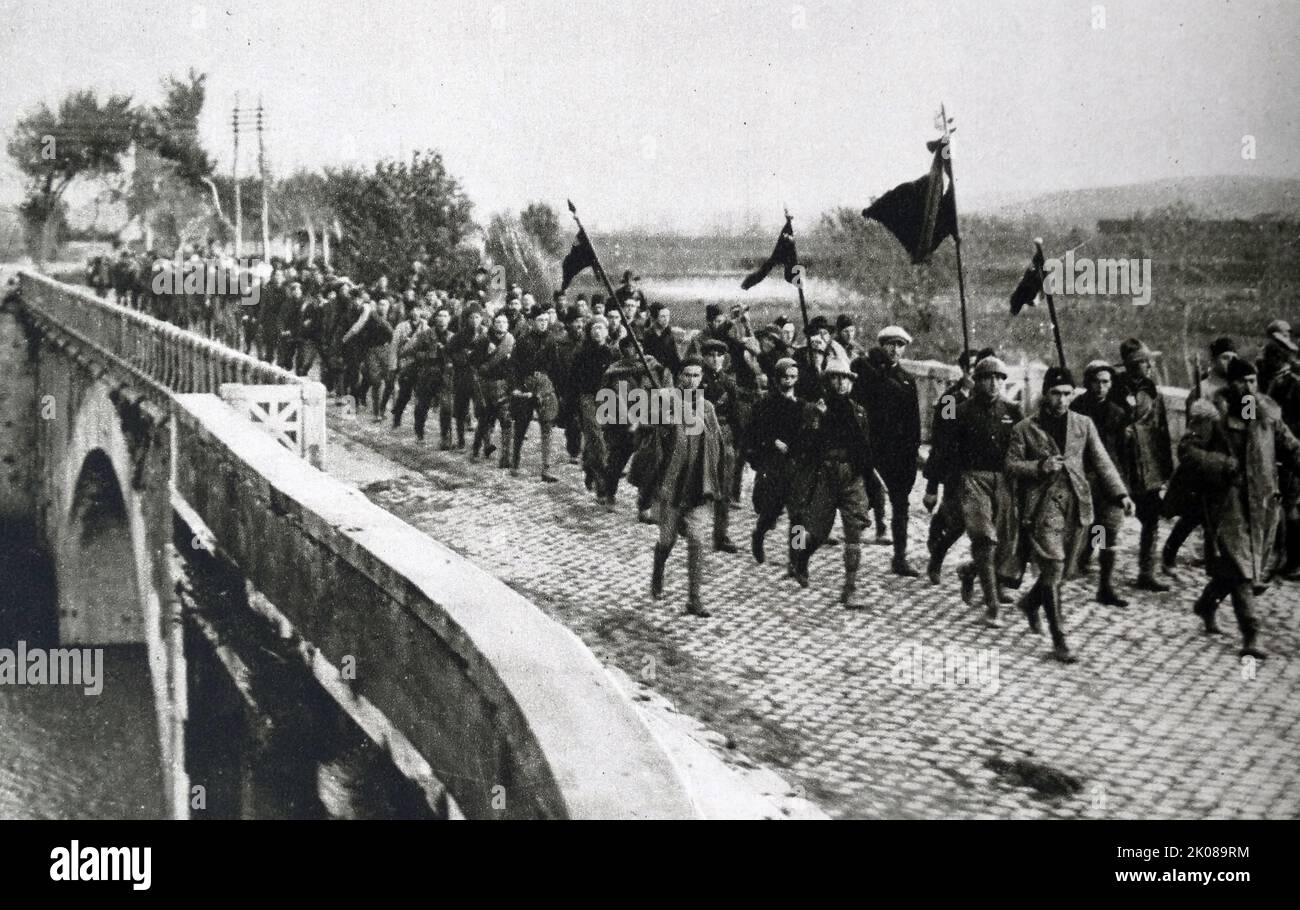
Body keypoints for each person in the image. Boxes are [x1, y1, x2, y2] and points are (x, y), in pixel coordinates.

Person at [1006, 367, 1134, 663]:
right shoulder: (1026, 428)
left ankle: (1030, 603)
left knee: (1061, 571)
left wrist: (1121, 494)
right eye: (1055, 393)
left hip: (1076, 506)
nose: (1061, 400)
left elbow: (1102, 461)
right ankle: (1059, 638)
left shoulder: (1083, 424)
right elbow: (1011, 465)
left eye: (1067, 394)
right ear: (1045, 394)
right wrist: (1040, 467)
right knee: (1053, 566)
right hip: (1041, 508)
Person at [1180, 358, 1300, 659]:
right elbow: (1187, 450)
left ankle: (1206, 604)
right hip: (1227, 502)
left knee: (1243, 568)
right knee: (1241, 568)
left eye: (1252, 381)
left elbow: (1290, 447)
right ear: (1229, 384)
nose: (1248, 387)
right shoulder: (1210, 414)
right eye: (1241, 381)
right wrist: (1221, 464)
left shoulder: (1268, 414)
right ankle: (1251, 634)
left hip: (1261, 503)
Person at [932, 356, 1023, 622]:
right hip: (971, 479)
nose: (993, 383)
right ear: (977, 380)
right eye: (987, 378)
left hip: (1003, 481)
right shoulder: (959, 409)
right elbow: (944, 449)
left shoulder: (1013, 411)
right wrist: (937, 486)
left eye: (999, 378)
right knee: (983, 537)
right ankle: (991, 604)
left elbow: (1026, 444)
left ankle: (970, 572)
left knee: (1005, 543)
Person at [787, 361, 876, 608]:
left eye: (845, 379)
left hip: (852, 476)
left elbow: (865, 447)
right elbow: (807, 443)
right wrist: (819, 418)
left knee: (854, 533)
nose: (840, 383)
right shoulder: (817, 410)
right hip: (826, 475)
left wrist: (870, 484)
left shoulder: (859, 412)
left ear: (851, 382)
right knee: (816, 532)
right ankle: (800, 557)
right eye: (835, 378)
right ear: (828, 381)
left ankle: (850, 588)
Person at [649, 356, 726, 618]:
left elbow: (718, 445)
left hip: (697, 486)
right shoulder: (668, 403)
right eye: (687, 375)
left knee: (697, 540)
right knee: (667, 540)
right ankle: (658, 571)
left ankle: (694, 598)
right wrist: (666, 424)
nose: (692, 380)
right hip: (672, 486)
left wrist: (716, 481)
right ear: (679, 376)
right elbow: (654, 440)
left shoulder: (707, 408)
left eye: (697, 375)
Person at [1162, 337, 1237, 571]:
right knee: (1196, 512)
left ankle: (1210, 559)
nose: (1229, 362)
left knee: (1215, 513)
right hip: (1205, 457)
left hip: (1226, 458)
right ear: (1214, 360)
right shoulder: (1201, 389)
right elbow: (1192, 430)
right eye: (1225, 357)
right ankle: (1170, 552)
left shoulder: (1237, 387)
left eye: (1233, 358)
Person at [856, 325, 923, 576]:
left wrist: (913, 451)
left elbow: (913, 421)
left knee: (901, 506)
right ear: (881, 346)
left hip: (898, 454)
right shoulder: (866, 373)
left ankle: (900, 557)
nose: (895, 350)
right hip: (873, 450)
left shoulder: (908, 380)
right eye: (890, 344)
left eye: (900, 345)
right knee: (860, 500)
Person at [922, 348, 991, 583]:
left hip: (981, 472)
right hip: (955, 470)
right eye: (969, 368)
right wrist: (932, 485)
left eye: (977, 368)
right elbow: (942, 438)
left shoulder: (987, 401)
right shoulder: (951, 400)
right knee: (957, 523)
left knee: (973, 524)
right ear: (962, 370)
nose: (973, 373)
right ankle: (938, 552)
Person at [1069, 360, 1133, 606]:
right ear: (1088, 382)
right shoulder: (1076, 408)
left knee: (1108, 530)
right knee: (1087, 525)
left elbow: (1122, 452)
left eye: (1106, 382)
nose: (1100, 387)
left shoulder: (1117, 413)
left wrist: (1123, 485)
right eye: (1096, 381)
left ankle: (1105, 587)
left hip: (1108, 479)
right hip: (1082, 477)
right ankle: (1082, 557)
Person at [1115, 338, 1175, 591]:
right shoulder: (1114, 390)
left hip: (1148, 467)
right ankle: (1082, 556)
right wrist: (1120, 430)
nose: (1149, 366)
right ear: (1131, 365)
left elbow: (1162, 430)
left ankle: (1146, 572)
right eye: (1143, 362)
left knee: (1150, 519)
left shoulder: (1153, 392)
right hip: (1122, 465)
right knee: (1104, 517)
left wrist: (1166, 469)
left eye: (1149, 361)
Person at [747, 356, 807, 564]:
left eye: (793, 377)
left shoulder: (802, 406)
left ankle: (796, 557)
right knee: (770, 512)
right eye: (785, 377)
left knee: (798, 517)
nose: (789, 381)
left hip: (796, 466)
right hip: (774, 466)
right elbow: (756, 431)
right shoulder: (766, 404)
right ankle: (759, 535)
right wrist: (773, 442)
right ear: (777, 379)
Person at [509, 305, 561, 481]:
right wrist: (516, 387)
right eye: (540, 320)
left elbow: (555, 367)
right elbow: (514, 366)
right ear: (532, 322)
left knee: (547, 425)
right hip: (526, 385)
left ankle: (546, 469)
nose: (543, 324)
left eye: (546, 321)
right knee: (521, 425)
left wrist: (554, 388)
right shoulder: (523, 340)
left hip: (544, 386)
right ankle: (515, 460)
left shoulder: (551, 341)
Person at [570, 316, 618, 501]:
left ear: (607, 331)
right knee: (596, 438)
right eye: (594, 328)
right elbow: (573, 381)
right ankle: (601, 483)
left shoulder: (613, 354)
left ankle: (589, 468)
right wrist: (572, 406)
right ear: (589, 331)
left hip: (607, 399)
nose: (598, 332)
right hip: (588, 398)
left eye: (601, 328)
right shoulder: (581, 353)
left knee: (603, 440)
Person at [700, 339, 741, 553]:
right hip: (700, 434)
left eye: (719, 355)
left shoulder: (729, 383)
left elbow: (736, 415)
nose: (715, 359)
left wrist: (739, 441)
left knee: (724, 489)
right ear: (704, 357)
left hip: (724, 436)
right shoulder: (697, 380)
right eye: (711, 355)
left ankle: (721, 535)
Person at [471, 312, 515, 467]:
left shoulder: (511, 341)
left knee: (506, 421)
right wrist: (485, 355)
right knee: (484, 419)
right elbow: (474, 361)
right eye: (498, 322)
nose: (501, 325)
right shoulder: (484, 340)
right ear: (493, 324)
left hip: (504, 385)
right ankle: (476, 448)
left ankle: (505, 457)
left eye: (504, 322)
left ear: (508, 325)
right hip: (487, 385)